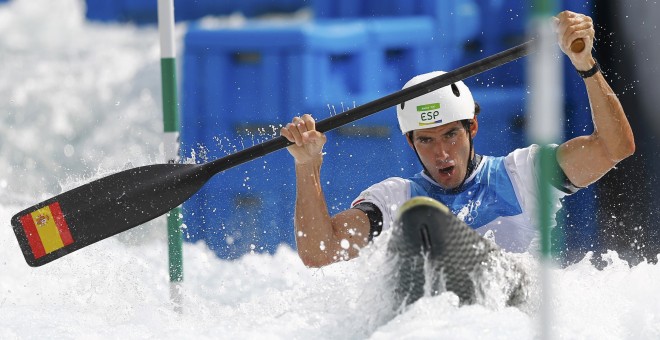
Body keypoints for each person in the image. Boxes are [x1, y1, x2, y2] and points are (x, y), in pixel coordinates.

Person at [280, 11, 635, 268]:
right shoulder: (394, 201)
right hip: (441, 316)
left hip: (515, 308)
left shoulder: (525, 173)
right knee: (416, 217)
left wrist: (584, 63)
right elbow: (320, 252)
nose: (442, 152)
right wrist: (307, 166)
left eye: (451, 134)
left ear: (472, 128)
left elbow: (614, 148)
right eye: (427, 141)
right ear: (410, 144)